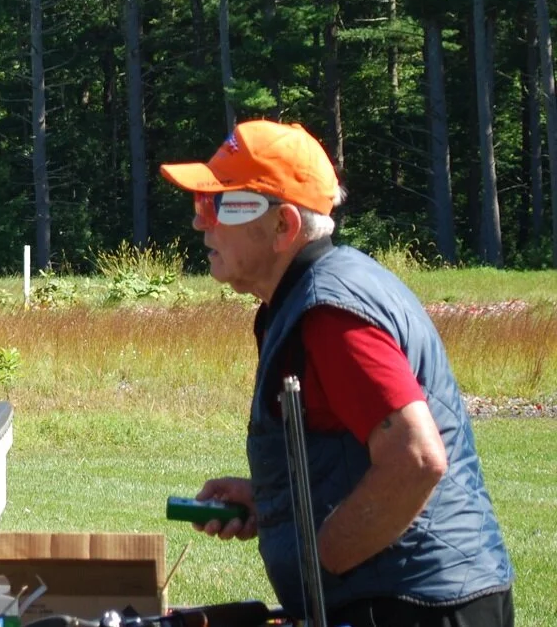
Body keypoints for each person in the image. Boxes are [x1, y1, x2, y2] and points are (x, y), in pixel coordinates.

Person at [161, 119, 514, 627]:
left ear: (284, 226)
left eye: (220, 204)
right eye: (201, 204)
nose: (200, 222)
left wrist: (322, 555)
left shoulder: (330, 314)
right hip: (420, 598)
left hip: (411, 607)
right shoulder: (318, 292)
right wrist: (277, 501)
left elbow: (415, 459)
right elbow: (356, 452)